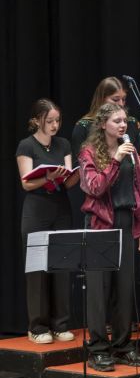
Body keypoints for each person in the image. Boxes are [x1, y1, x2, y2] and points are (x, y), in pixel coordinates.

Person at [78, 103, 140, 372]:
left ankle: (122, 345)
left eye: (125, 121)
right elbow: (94, 187)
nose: (123, 125)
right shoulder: (89, 151)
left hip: (125, 221)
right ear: (103, 124)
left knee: (123, 287)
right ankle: (97, 348)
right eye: (117, 121)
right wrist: (116, 160)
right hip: (100, 225)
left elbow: (139, 193)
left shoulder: (131, 151)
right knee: (99, 289)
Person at [16, 99, 79, 344]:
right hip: (36, 210)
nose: (54, 126)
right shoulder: (27, 145)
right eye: (49, 121)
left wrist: (76, 173)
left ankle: (61, 323)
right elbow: (26, 182)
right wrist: (48, 177)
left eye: (57, 121)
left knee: (62, 265)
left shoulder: (63, 144)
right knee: (37, 268)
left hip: (61, 208)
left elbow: (69, 181)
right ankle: (38, 326)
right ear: (37, 121)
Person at [72, 77, 140, 162]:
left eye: (123, 99)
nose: (121, 104)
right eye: (115, 99)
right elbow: (79, 165)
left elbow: (139, 159)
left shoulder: (132, 123)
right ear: (101, 99)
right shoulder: (83, 126)